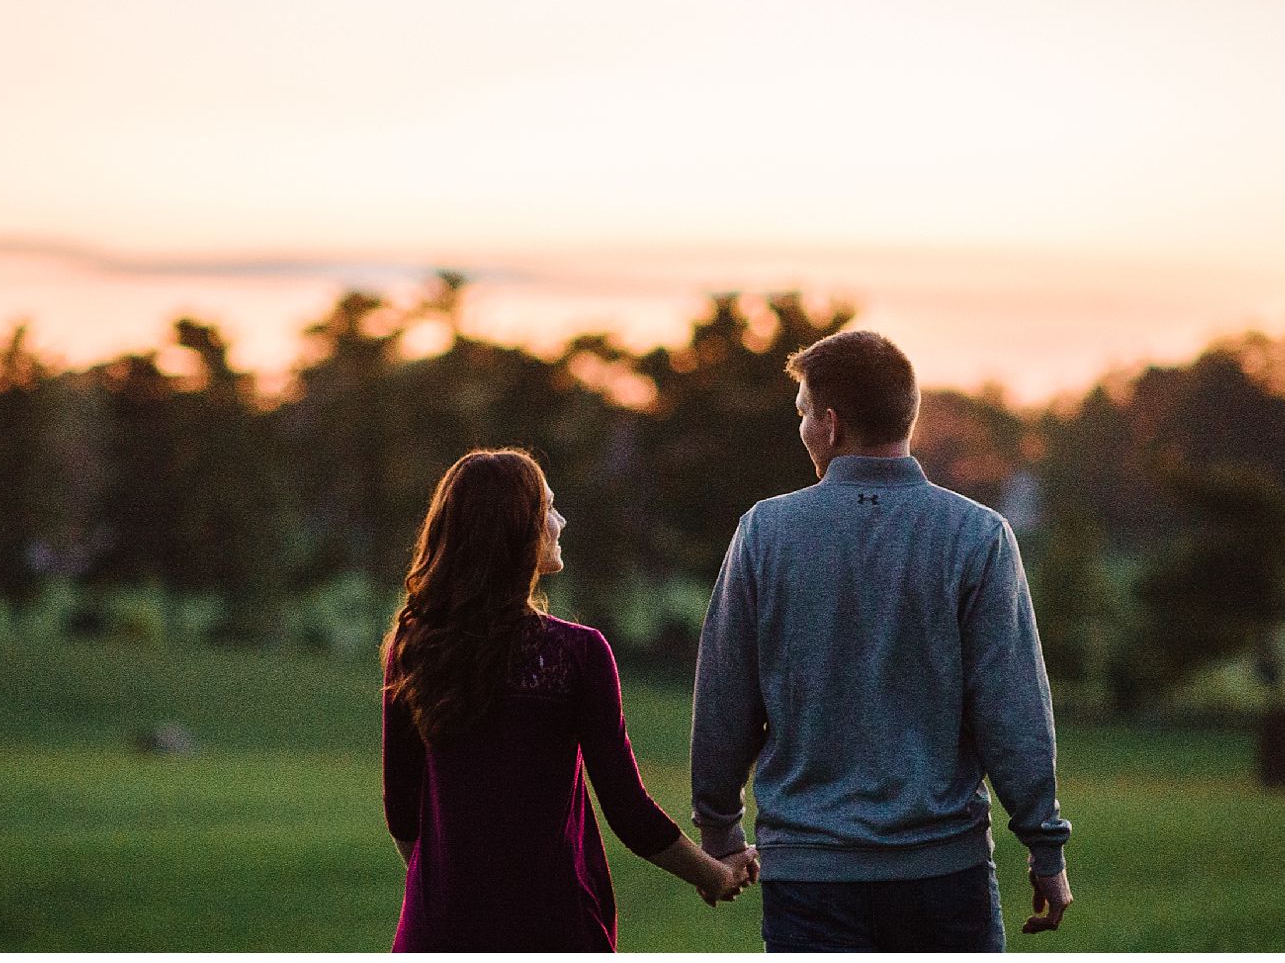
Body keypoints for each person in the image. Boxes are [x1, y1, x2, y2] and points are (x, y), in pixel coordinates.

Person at [690, 331, 1073, 951]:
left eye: (804, 415)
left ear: (832, 424)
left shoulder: (764, 533)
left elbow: (725, 699)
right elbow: (1012, 710)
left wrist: (720, 834)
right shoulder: (979, 537)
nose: (804, 430)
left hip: (810, 879)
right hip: (945, 877)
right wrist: (1044, 848)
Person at [382, 448, 758, 951]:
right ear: (517, 531)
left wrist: (460, 891)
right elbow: (627, 809)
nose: (560, 521)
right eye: (548, 509)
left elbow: (403, 813)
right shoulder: (576, 655)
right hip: (554, 925)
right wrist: (714, 874)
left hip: (438, 930)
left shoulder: (415, 651)